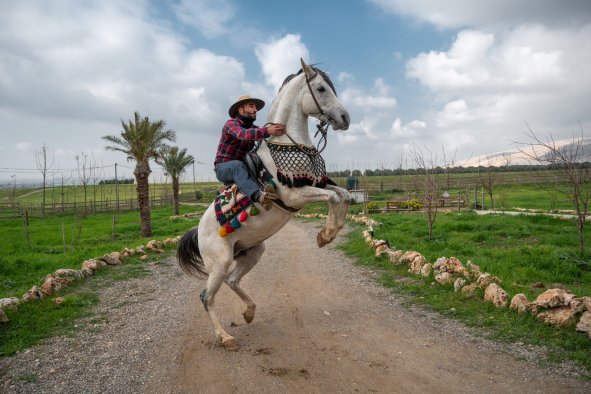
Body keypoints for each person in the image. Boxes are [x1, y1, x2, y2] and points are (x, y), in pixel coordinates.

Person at [214, 95, 286, 210]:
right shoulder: (231, 124)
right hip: (223, 168)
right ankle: (258, 195)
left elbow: (260, 137)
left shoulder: (254, 128)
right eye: (251, 106)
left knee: (258, 157)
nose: (255, 110)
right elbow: (242, 134)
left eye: (256, 107)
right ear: (241, 110)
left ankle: (272, 185)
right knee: (237, 165)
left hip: (242, 166)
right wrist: (267, 130)